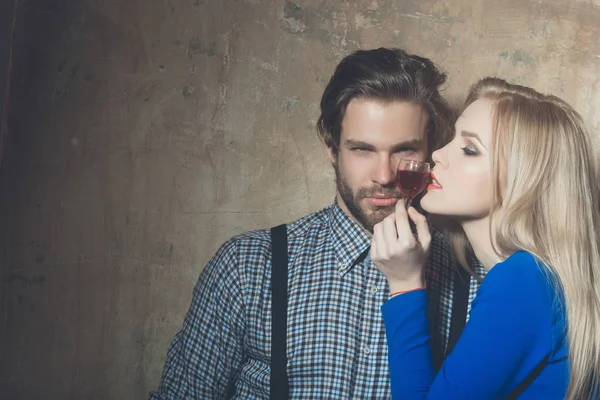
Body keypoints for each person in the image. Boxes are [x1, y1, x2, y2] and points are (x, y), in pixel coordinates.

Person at [149, 47, 482, 399]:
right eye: (362, 149)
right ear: (331, 147)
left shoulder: (474, 281)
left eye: (405, 149)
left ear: (430, 149)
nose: (384, 175)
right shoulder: (246, 267)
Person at [373, 77, 600, 399]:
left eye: (469, 149)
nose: (437, 154)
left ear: (523, 180)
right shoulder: (535, 277)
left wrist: (405, 284)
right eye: (451, 139)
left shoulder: (522, 281)